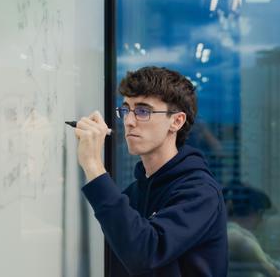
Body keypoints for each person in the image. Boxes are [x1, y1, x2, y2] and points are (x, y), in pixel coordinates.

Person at [74, 66, 228, 276]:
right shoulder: (132, 194)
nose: (128, 121)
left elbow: (147, 255)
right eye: (126, 109)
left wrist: (93, 164)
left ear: (176, 121)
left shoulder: (200, 192)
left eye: (143, 111)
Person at [223, 184, 280, 277]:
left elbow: (272, 263)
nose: (261, 221)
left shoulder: (234, 233)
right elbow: (273, 272)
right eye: (261, 214)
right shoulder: (237, 238)